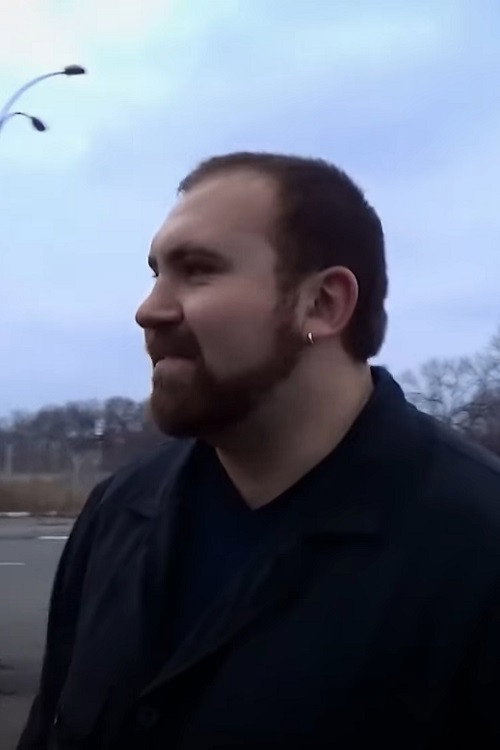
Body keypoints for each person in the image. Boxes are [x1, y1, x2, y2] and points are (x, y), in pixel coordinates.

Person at [18, 152, 500, 750]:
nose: (148, 310)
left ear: (323, 304)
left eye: (197, 270)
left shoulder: (477, 547)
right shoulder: (118, 512)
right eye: (156, 273)